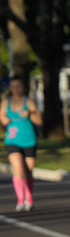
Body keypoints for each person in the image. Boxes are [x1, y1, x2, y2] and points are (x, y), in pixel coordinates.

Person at [2, 77, 42, 211]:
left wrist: (30, 113)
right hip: (12, 141)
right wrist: (5, 120)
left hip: (29, 140)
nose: (16, 89)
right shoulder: (6, 102)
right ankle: (21, 200)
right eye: (13, 86)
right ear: (10, 88)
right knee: (18, 169)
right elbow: (1, 117)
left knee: (28, 172)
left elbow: (39, 121)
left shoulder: (28, 102)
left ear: (22, 87)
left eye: (18, 86)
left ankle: (29, 199)